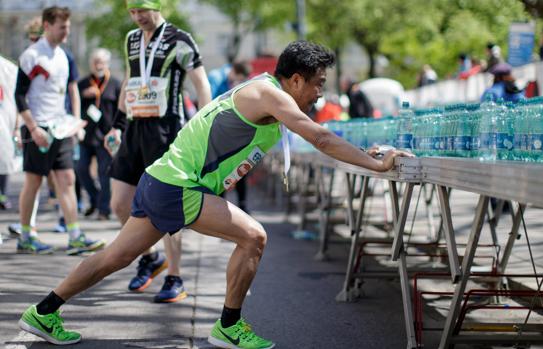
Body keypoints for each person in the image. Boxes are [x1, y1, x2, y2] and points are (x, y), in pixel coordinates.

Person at [17, 40, 412, 349]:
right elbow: (322, 137)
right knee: (254, 236)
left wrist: (365, 153)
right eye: (317, 84)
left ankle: (44, 311)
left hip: (161, 180)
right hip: (178, 186)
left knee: (114, 258)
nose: (319, 95)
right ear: (295, 80)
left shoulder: (264, 93)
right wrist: (376, 165)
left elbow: (317, 135)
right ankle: (228, 325)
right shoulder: (270, 95)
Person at [104, 0, 211, 303]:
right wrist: (117, 124)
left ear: (158, 6)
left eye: (142, 10)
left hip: (166, 129)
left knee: (166, 205)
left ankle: (174, 275)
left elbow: (201, 85)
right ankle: (150, 257)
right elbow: (129, 79)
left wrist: (204, 129)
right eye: (132, 12)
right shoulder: (131, 38)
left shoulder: (180, 39)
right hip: (135, 127)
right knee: (120, 202)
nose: (138, 17)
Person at [14, 6, 104, 255]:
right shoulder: (32, 55)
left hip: (61, 128)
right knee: (33, 182)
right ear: (47, 26)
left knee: (67, 179)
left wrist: (75, 122)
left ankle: (74, 234)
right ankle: (26, 236)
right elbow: (19, 96)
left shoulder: (66, 57)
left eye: (68, 26)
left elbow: (73, 88)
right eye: (62, 27)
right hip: (38, 128)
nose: (67, 31)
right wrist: (32, 128)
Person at [76, 48, 121, 221]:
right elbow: (73, 104)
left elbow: (121, 110)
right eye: (95, 62)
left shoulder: (115, 84)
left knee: (104, 173)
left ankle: (104, 210)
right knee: (81, 169)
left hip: (106, 136)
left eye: (101, 62)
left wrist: (117, 130)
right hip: (86, 135)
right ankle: (95, 199)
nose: (98, 65)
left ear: (107, 64)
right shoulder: (82, 84)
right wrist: (83, 95)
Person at [208, 61, 252, 212]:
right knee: (222, 168)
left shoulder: (237, 80)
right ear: (233, 71)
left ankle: (243, 204)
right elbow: (210, 102)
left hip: (235, 132)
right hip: (218, 131)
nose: (238, 82)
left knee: (241, 167)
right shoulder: (216, 77)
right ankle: (220, 204)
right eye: (237, 78)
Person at [0, 54, 18, 210]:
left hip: (4, 125)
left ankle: (2, 194)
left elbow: (16, 100)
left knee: (4, 159)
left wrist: (17, 127)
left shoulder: (7, 69)